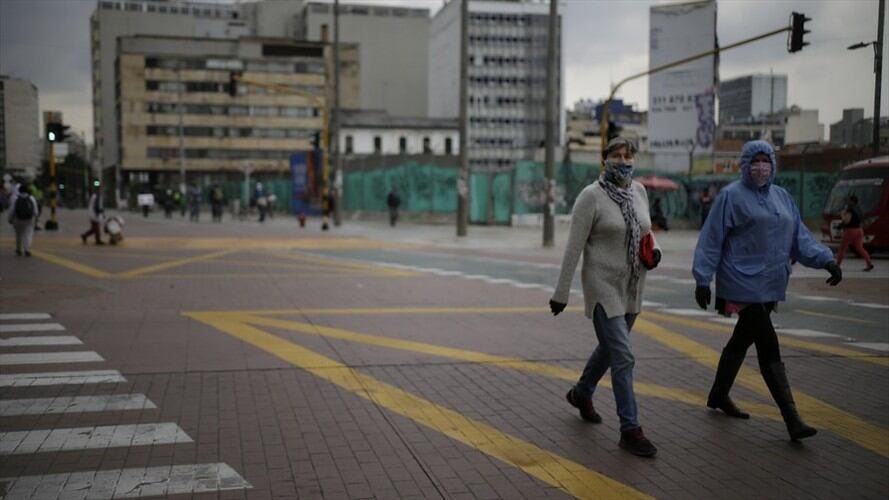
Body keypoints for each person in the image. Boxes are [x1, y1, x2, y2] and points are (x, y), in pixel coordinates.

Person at [693, 140, 842, 442]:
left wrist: (826, 260)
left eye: (766, 161)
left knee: (741, 339)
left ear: (773, 164)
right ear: (745, 164)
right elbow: (711, 239)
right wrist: (702, 278)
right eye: (756, 161)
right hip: (741, 282)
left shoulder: (782, 197)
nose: (761, 167)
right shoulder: (730, 197)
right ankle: (792, 418)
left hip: (771, 283)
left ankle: (718, 394)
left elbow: (800, 237)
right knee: (767, 342)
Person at [550, 137, 662, 458]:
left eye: (628, 156)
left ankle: (582, 393)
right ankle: (630, 429)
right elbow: (573, 247)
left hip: (633, 286)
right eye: (616, 155)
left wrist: (656, 253)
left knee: (611, 348)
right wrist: (561, 293)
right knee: (623, 356)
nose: (623, 160)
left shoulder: (638, 191)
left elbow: (646, 233)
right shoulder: (591, 197)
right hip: (602, 286)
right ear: (605, 160)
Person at [836, 195, 874, 271]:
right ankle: (869, 263)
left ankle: (837, 265)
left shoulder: (850, 209)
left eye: (849, 200)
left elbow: (847, 221)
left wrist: (842, 214)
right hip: (859, 230)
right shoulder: (859, 209)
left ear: (852, 201)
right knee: (860, 248)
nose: (847, 202)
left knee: (842, 248)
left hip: (850, 230)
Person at [8, 183, 38, 256]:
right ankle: (27, 250)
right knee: (28, 234)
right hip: (29, 220)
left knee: (18, 235)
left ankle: (18, 249)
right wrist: (35, 218)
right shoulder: (31, 198)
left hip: (18, 219)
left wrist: (10, 219)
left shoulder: (16, 198)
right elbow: (35, 211)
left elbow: (12, 210)